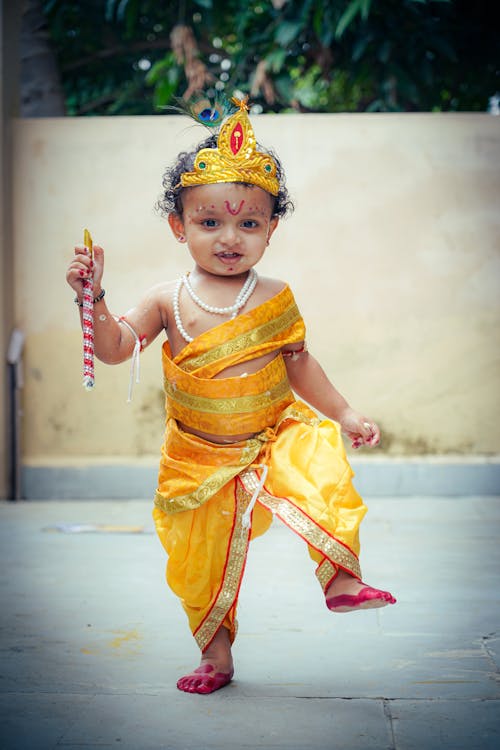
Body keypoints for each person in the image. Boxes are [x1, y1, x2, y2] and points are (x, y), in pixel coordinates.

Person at [66, 96, 396, 696]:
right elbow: (116, 348)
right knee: (200, 563)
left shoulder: (275, 294)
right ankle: (215, 657)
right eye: (209, 222)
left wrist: (344, 412)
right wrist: (95, 298)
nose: (229, 237)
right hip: (196, 457)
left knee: (322, 475)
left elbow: (300, 364)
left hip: (274, 433)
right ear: (179, 226)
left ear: (271, 229)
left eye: (248, 223)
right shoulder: (167, 299)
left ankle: (342, 580)